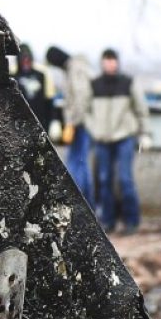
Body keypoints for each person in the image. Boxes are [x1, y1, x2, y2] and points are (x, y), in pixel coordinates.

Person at [87, 48, 151, 235]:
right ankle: (108, 220)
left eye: (113, 60)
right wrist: (95, 129)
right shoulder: (95, 85)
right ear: (102, 62)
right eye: (107, 60)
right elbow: (86, 111)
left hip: (124, 137)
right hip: (102, 139)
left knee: (125, 179)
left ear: (117, 62)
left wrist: (145, 133)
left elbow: (141, 109)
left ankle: (132, 220)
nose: (110, 63)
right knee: (104, 179)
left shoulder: (128, 82)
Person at [46, 44, 94, 204]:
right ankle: (87, 202)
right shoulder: (74, 67)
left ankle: (77, 201)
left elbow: (81, 97)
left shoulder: (75, 68)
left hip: (80, 123)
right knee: (81, 163)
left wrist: (72, 123)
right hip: (81, 122)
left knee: (76, 163)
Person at [13, 42, 52, 130]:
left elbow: (48, 101)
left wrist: (51, 122)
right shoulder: (13, 78)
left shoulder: (41, 75)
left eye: (28, 58)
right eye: (23, 58)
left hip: (40, 122)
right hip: (21, 124)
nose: (26, 61)